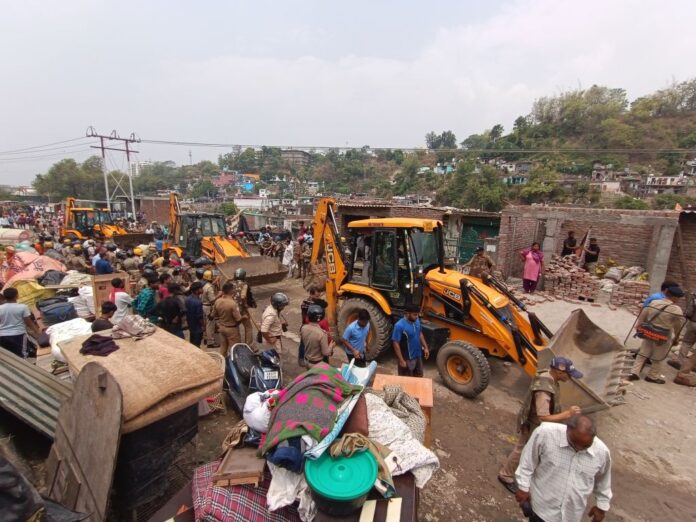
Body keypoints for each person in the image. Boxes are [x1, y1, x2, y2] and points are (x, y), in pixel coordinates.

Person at [498, 356, 584, 493]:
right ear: (560, 372)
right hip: (532, 425)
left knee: (531, 450)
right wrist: (568, 414)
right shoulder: (544, 389)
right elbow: (543, 417)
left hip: (535, 423)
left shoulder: (548, 376)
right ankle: (505, 475)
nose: (570, 377)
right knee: (521, 450)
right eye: (568, 374)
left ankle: (527, 473)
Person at [515, 416, 612, 522]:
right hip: (542, 509)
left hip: (572, 515)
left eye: (585, 446)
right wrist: (523, 487)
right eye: (574, 443)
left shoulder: (602, 453)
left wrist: (601, 507)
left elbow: (603, 482)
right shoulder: (545, 433)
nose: (578, 449)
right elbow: (527, 462)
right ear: (567, 429)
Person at [628, 285, 685, 384]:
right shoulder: (676, 309)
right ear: (675, 297)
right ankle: (652, 376)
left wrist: (639, 326)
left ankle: (634, 372)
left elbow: (643, 315)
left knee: (643, 353)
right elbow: (678, 326)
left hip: (649, 332)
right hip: (663, 336)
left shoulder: (654, 303)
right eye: (678, 298)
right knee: (658, 357)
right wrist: (676, 337)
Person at [0, 287, 40, 358]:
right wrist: (38, 332)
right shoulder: (22, 307)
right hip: (18, 335)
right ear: (17, 296)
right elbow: (29, 323)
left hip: (2, 336)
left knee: (10, 356)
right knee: (22, 355)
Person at [392, 303, 429, 377]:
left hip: (418, 355)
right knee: (406, 381)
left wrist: (425, 347)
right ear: (407, 314)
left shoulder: (417, 321)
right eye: (415, 315)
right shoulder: (399, 326)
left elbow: (420, 333)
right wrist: (402, 360)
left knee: (419, 376)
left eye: (417, 314)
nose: (417, 317)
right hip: (407, 359)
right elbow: (395, 343)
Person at [213, 281, 245, 356]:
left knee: (223, 348)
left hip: (221, 327)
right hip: (232, 329)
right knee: (235, 350)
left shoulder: (218, 301)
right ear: (231, 291)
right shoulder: (232, 304)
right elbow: (238, 319)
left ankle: (223, 364)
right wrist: (244, 317)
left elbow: (214, 314)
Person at [231, 268, 257, 345]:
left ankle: (236, 344)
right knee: (248, 327)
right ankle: (248, 344)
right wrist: (245, 304)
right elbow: (243, 296)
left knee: (235, 326)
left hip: (232, 309)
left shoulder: (231, 284)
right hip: (242, 309)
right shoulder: (244, 285)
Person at [201, 270, 218, 347]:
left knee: (205, 324)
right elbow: (212, 299)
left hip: (203, 305)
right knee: (210, 325)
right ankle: (210, 342)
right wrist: (220, 295)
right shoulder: (209, 287)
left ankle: (205, 338)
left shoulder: (203, 284)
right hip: (208, 307)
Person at [186, 281, 205, 348]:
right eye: (201, 288)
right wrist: (203, 326)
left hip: (191, 326)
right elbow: (199, 316)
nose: (203, 289)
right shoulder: (198, 302)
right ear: (197, 290)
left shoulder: (188, 299)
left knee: (192, 345)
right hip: (197, 327)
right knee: (197, 346)